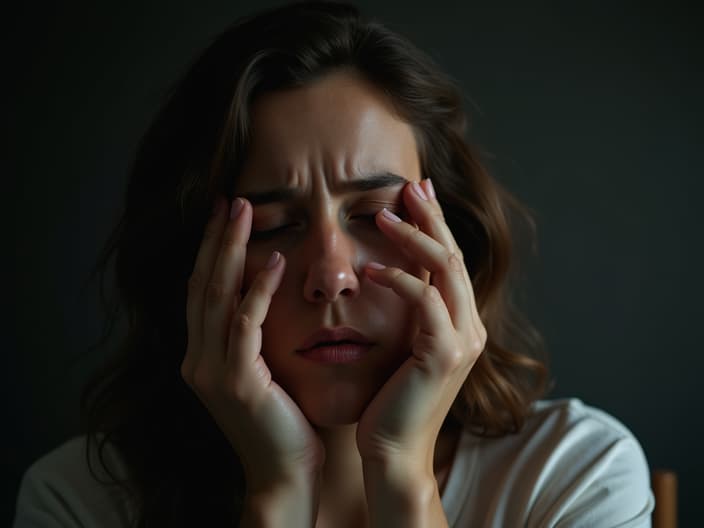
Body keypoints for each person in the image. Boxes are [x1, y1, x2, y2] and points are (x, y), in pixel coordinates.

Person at [13, 2, 654, 527]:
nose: (331, 276)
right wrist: (279, 493)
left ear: (450, 238)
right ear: (195, 265)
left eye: (375, 213)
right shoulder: (80, 502)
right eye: (272, 226)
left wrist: (401, 475)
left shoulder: (574, 476)